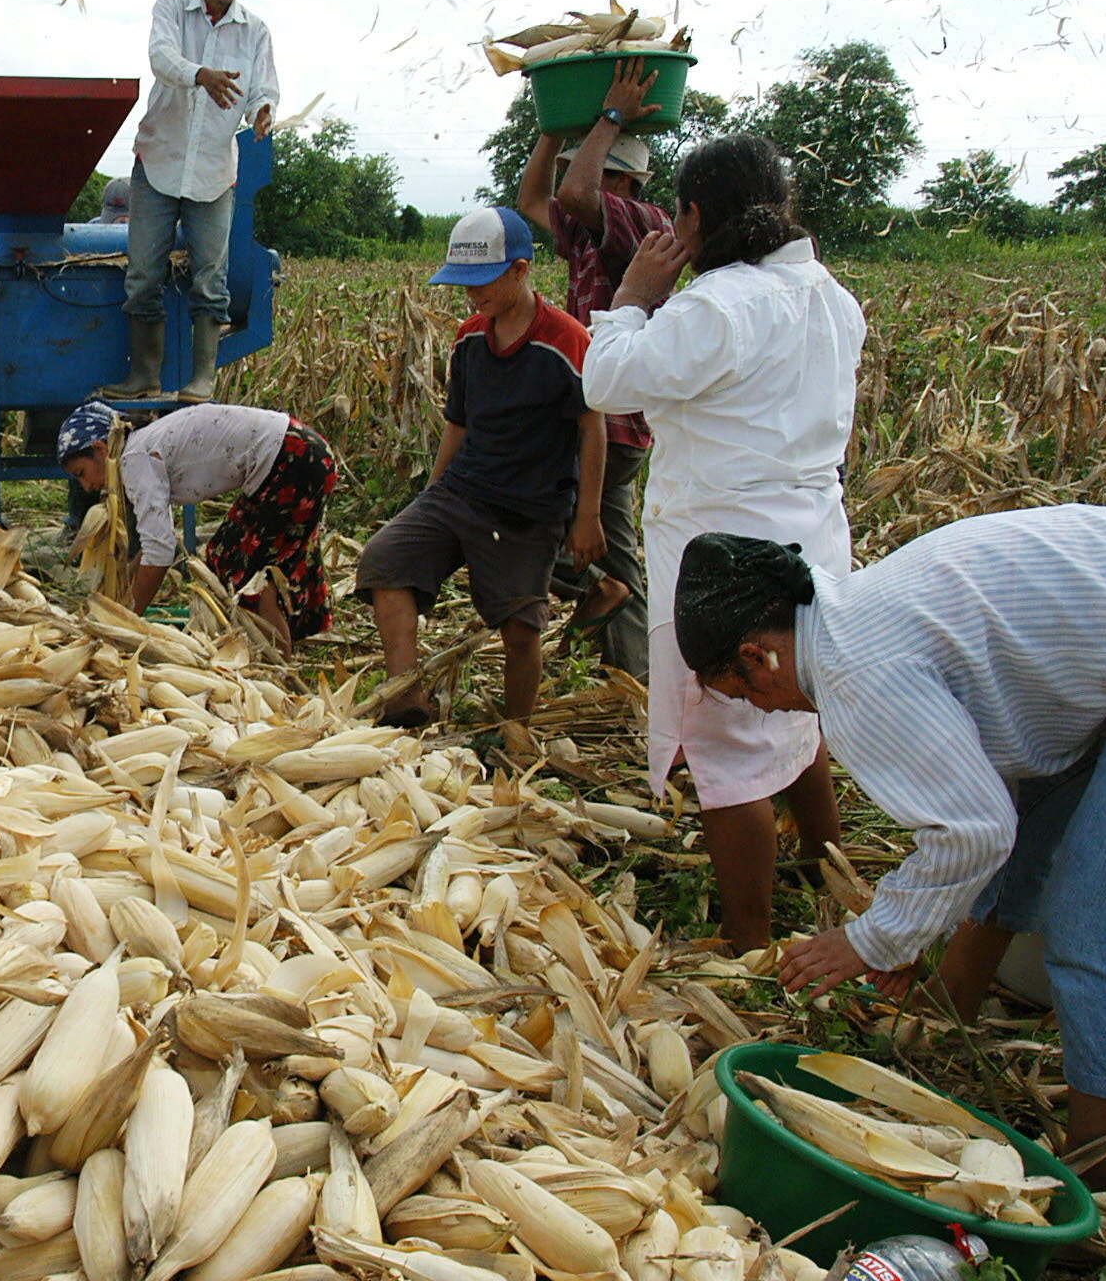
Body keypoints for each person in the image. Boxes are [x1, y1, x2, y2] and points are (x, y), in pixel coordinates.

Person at [673, 507, 1106, 1183]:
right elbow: (995, 815)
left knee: (1098, 925)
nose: (762, 709)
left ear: (757, 655)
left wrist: (870, 940)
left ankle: (1095, 1180)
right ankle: (946, 1017)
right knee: (1027, 830)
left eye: (741, 693)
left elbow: (973, 832)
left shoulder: (858, 675)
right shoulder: (848, 618)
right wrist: (909, 933)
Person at [581, 134, 865, 951]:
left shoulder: (723, 303)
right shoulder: (830, 295)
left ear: (697, 215)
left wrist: (631, 295)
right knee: (795, 712)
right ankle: (826, 864)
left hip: (723, 553)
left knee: (728, 742)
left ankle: (751, 943)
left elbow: (608, 383)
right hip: (813, 538)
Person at [355, 208, 607, 724]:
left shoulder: (566, 340)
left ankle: (515, 733)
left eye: (482, 282)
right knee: (386, 560)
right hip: (463, 491)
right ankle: (407, 700)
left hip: (529, 507)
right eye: (464, 285)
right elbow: (458, 424)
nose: (472, 296)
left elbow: (592, 428)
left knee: (520, 629)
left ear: (520, 269)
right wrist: (433, 490)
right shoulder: (470, 337)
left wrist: (587, 515)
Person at [515, 60, 673, 680]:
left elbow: (578, 193)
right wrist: (553, 128)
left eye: (601, 170)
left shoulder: (640, 224)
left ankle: (591, 595)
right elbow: (535, 198)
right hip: (612, 419)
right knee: (620, 559)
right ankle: (632, 684)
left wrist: (609, 116)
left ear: (624, 183)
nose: (579, 183)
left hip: (608, 422)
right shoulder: (588, 233)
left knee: (515, 517)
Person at [96, 0, 279, 405]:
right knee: (141, 277)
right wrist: (200, 75)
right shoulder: (172, 8)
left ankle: (201, 380)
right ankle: (145, 377)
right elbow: (161, 59)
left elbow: (262, 89)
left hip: (215, 171)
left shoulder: (255, 31)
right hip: (159, 160)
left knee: (210, 280)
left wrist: (263, 110)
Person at [57, 400, 335, 654]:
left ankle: (278, 664)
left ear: (100, 448)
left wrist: (126, 624)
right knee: (226, 555)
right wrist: (116, 601)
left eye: (82, 473)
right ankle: (279, 646)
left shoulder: (134, 459)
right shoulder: (144, 447)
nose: (87, 486)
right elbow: (157, 541)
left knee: (250, 570)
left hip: (292, 460)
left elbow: (160, 554)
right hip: (301, 452)